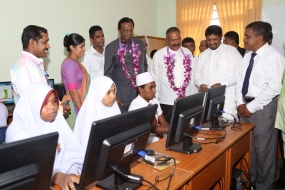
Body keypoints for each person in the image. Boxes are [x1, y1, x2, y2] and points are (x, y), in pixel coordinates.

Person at [5, 83, 84, 190]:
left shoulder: (56, 121)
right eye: (45, 103)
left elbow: (72, 156)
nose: (52, 107)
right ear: (32, 105)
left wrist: (71, 175)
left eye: (54, 101)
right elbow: (29, 174)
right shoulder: (16, 134)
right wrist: (58, 177)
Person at [235, 21, 285, 190]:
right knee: (249, 150)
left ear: (260, 38)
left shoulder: (274, 57)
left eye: (248, 36)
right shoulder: (248, 55)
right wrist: (240, 102)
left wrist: (250, 107)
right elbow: (239, 81)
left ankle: (265, 186)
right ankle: (251, 183)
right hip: (244, 107)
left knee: (264, 152)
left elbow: (273, 88)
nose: (244, 39)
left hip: (263, 109)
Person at [194, 25, 242, 120]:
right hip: (207, 99)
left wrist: (222, 84)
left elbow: (239, 74)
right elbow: (196, 75)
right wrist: (200, 85)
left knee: (230, 132)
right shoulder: (203, 55)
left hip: (227, 100)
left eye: (215, 39)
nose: (212, 42)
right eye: (209, 40)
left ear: (221, 37)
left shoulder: (232, 52)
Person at [104, 17, 147, 112]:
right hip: (122, 94)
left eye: (130, 30)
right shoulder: (111, 48)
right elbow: (108, 74)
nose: (128, 33)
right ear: (119, 30)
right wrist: (113, 95)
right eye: (125, 31)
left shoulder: (140, 44)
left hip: (140, 93)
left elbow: (144, 66)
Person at [151, 27, 193, 123]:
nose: (176, 42)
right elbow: (154, 78)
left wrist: (191, 98)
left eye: (178, 38)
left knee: (184, 127)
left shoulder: (187, 53)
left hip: (185, 100)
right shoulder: (158, 55)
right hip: (167, 102)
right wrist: (155, 101)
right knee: (168, 131)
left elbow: (191, 76)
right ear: (167, 40)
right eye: (173, 40)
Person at [74, 76, 121, 153]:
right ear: (98, 93)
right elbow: (86, 148)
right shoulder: (86, 117)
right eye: (108, 92)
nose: (113, 96)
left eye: (114, 91)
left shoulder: (114, 108)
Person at [10, 25, 50, 102]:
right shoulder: (24, 67)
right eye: (45, 42)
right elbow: (32, 100)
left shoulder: (32, 65)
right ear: (32, 43)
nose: (48, 46)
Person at [129, 72, 169, 144]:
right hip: (145, 141)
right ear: (140, 89)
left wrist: (171, 131)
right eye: (151, 88)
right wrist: (174, 129)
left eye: (154, 87)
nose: (154, 91)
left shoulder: (154, 101)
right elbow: (150, 127)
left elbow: (164, 123)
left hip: (160, 136)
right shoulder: (135, 106)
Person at [61, 33, 91, 129]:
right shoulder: (70, 64)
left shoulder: (75, 62)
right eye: (81, 47)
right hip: (74, 107)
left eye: (84, 46)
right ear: (72, 47)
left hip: (79, 103)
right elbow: (73, 92)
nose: (84, 49)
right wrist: (82, 112)